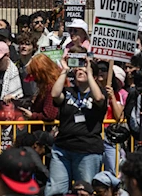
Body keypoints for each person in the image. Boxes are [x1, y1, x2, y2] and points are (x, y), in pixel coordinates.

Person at [46, 57, 106, 196]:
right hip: (63, 148)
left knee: (84, 190)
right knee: (55, 190)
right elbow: (55, 94)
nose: (81, 69)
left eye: (84, 67)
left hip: (87, 149)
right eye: (78, 67)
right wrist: (64, 71)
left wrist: (90, 73)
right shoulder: (68, 92)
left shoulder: (99, 93)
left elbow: (98, 99)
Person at [17, 54, 60, 125]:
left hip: (45, 132)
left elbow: (49, 115)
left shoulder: (51, 87)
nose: (34, 80)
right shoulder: (48, 86)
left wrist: (32, 116)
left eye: (34, 75)